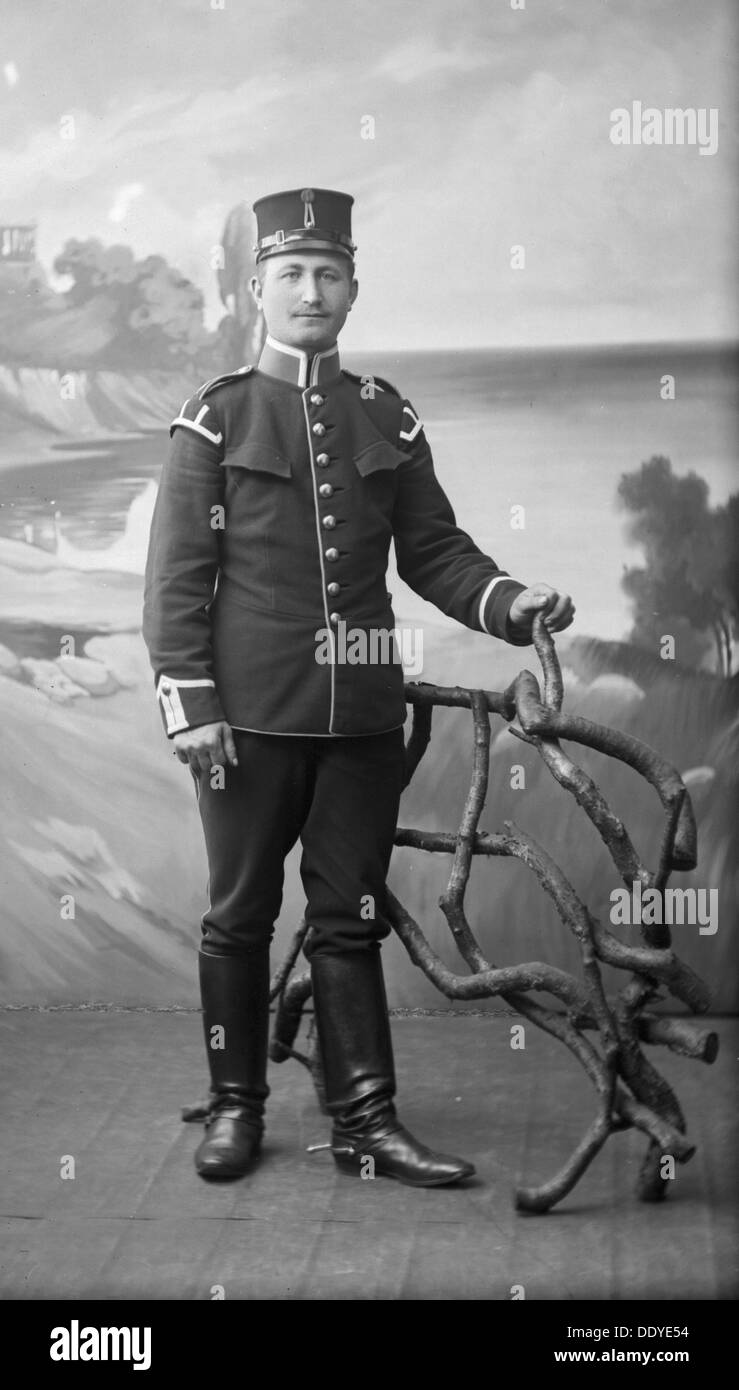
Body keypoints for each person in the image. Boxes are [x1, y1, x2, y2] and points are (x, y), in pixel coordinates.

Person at [142, 187, 574, 1188]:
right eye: (291, 273)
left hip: (366, 717)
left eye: (328, 274)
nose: (310, 290)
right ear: (258, 289)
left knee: (349, 917)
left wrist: (515, 604)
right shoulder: (214, 420)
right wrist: (191, 707)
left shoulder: (385, 414)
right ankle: (235, 1107)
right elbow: (175, 584)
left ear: (352, 290)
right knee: (239, 917)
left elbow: (435, 552)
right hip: (246, 723)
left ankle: (365, 1124)